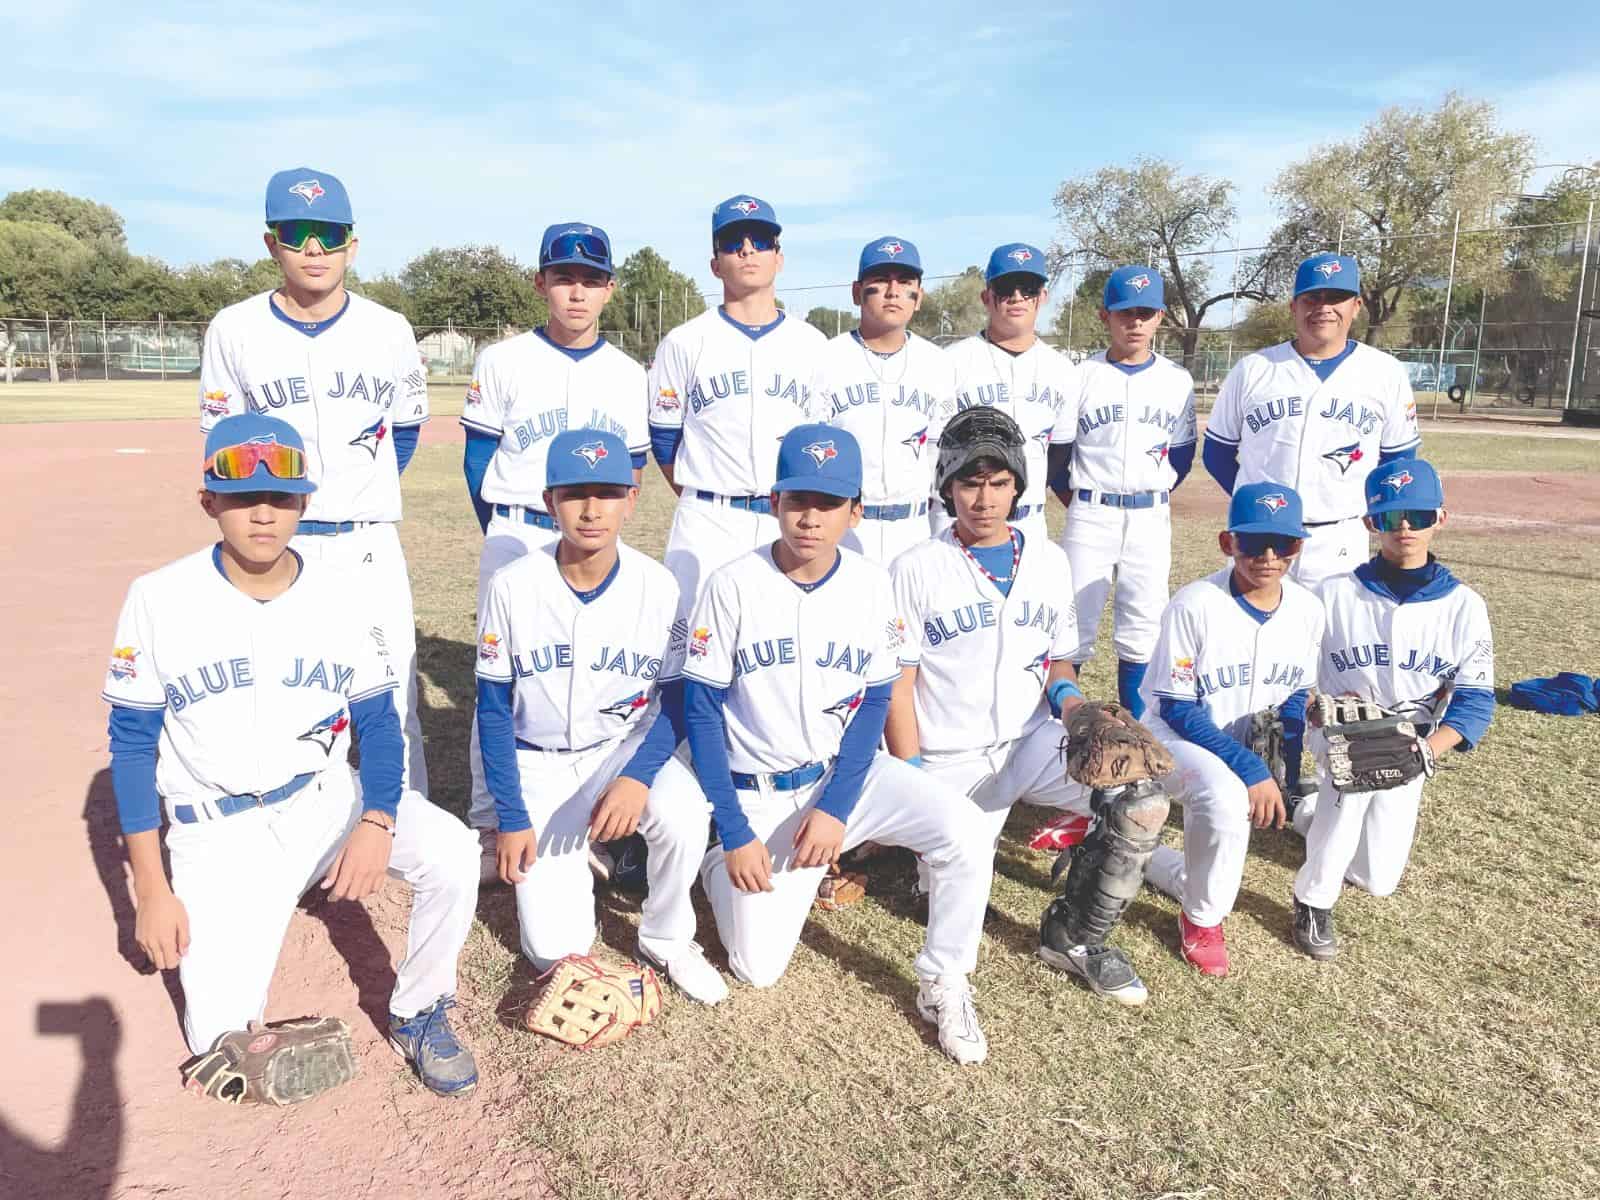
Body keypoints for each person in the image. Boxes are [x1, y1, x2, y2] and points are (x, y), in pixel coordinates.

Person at [102, 414, 480, 1096]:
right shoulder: (159, 598)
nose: (263, 515)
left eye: (281, 498)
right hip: (219, 829)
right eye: (244, 497)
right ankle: (269, 903)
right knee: (220, 1046)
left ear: (305, 503)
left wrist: (377, 822)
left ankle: (421, 1011)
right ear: (209, 502)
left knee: (452, 851)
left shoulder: (342, 597)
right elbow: (130, 748)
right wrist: (151, 891)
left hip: (325, 799)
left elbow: (381, 725)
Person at [646, 424, 996, 1064]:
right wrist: (733, 828)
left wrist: (837, 809)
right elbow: (700, 714)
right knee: (757, 968)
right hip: (755, 793)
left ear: (855, 511)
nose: (811, 517)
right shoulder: (732, 584)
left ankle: (945, 978)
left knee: (966, 830)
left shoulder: (871, 584)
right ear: (773, 501)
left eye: (830, 503)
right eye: (798, 499)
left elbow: (870, 711)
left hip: (843, 779)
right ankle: (715, 858)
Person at [886, 406, 1165, 1007]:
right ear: (947, 488)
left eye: (997, 483)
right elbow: (898, 685)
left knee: (1137, 798)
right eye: (968, 482)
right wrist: (909, 778)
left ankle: (1076, 936)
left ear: (1018, 485)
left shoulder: (1049, 560)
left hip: (1028, 740)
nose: (983, 499)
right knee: (948, 887)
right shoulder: (914, 568)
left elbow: (1055, 664)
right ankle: (924, 881)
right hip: (947, 756)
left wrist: (1072, 708)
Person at [198, 167, 432, 795]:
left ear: (351, 244)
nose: (313, 250)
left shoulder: (389, 329)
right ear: (271, 242)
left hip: (366, 542)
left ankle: (402, 830)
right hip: (275, 542)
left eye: (328, 235)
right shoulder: (235, 328)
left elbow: (402, 433)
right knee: (284, 692)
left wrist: (357, 495)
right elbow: (221, 443)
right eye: (297, 233)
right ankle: (289, 831)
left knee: (392, 694)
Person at [473, 429, 724, 1002]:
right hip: (538, 762)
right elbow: (490, 710)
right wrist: (510, 816)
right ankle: (573, 856)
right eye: (575, 493)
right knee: (556, 953)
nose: (591, 510)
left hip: (619, 749)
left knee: (684, 813)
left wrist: (637, 778)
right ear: (548, 502)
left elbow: (679, 699)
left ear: (632, 499)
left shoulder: (657, 587)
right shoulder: (513, 586)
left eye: (608, 493)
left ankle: (666, 936)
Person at [461, 223, 648, 858]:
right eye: (564, 277)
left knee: (589, 668)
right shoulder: (502, 359)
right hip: (518, 524)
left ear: (610, 290)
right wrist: (504, 535)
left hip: (591, 536)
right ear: (541, 283)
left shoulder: (629, 373)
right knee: (501, 678)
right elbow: (476, 461)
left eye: (591, 280)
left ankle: (594, 810)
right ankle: (491, 820)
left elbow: (636, 469)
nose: (577, 292)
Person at [1290, 458, 1494, 959]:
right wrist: (1316, 710)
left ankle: (1308, 811)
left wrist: (1426, 750)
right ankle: (1312, 901)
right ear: (1368, 523)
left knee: (1377, 878)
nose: (1404, 526)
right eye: (1389, 516)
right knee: (1357, 772)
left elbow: (1475, 700)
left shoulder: (1465, 606)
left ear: (1439, 519)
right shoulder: (1333, 594)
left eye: (1418, 514)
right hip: (1341, 734)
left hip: (1414, 744)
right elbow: (1292, 674)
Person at [1139, 483, 1325, 977]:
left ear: (1298, 547)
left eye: (1282, 544)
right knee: (1225, 795)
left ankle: (1132, 853)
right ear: (1228, 543)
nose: (1267, 556)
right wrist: (1249, 768)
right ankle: (1201, 920)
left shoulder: (1308, 610)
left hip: (1236, 747)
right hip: (1171, 740)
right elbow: (1177, 707)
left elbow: (1293, 696)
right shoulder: (1195, 603)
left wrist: (1282, 766)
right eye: (1252, 543)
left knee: (1227, 822)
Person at [648, 195, 827, 608]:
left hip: (785, 519)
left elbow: (819, 438)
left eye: (761, 240)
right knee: (692, 642)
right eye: (732, 243)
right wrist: (706, 493)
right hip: (707, 518)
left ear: (779, 258)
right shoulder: (685, 341)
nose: (747, 250)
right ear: (715, 264)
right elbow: (664, 438)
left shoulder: (812, 344)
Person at [1202, 252, 1421, 586]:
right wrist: (1257, 508)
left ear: (1357, 305)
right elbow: (1217, 454)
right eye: (1312, 298)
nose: (1323, 307)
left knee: (1338, 636)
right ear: (1293, 307)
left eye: (1336, 297)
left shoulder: (1385, 373)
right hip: (1264, 539)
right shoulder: (1254, 370)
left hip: (1342, 535)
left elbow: (1398, 461)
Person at [1053, 266, 1197, 718]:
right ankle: (1063, 735)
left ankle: (1136, 737)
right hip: (1090, 511)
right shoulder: (1079, 376)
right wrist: (1080, 501)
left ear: (1159, 318)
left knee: (1143, 629)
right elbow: (1059, 457)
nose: (1134, 322)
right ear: (1104, 316)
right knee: (1072, 626)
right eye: (1124, 313)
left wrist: (1149, 491)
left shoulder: (1177, 380)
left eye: (1145, 312)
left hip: (1150, 516)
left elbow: (1183, 454)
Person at [808, 236, 956, 563]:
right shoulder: (825, 359)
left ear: (919, 297)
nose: (892, 291)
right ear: (856, 292)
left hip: (916, 525)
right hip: (845, 526)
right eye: (880, 280)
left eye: (905, 282)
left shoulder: (938, 364)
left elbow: (941, 454)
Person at [943, 242, 1078, 543]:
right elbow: (936, 449)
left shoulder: (1062, 369)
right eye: (1005, 287)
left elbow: (1060, 448)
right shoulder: (952, 361)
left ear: (1042, 297)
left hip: (1030, 519)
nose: (1017, 297)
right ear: (986, 297)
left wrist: (1019, 491)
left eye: (1028, 288)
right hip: (961, 518)